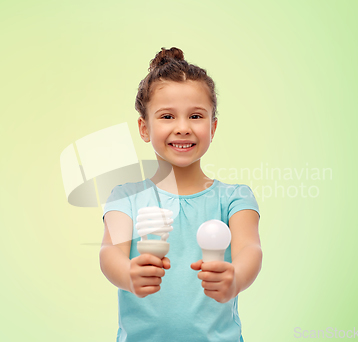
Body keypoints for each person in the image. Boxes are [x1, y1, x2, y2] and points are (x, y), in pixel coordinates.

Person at [99, 47, 262, 342]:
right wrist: (128, 275)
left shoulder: (235, 198)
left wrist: (235, 278)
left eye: (196, 116)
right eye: (167, 116)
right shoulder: (125, 197)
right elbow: (110, 253)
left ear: (213, 127)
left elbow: (250, 249)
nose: (183, 128)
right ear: (144, 127)